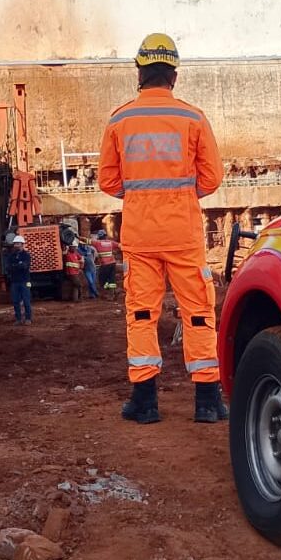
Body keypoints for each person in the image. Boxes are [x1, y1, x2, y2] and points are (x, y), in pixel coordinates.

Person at [99, 33, 227, 424]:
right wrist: (183, 195)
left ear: (139, 73)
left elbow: (108, 181)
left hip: (139, 234)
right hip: (184, 233)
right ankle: (207, 400)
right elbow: (212, 178)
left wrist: (140, 196)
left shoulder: (120, 120)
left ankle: (145, 401)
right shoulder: (192, 118)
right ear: (173, 75)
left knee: (141, 313)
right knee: (199, 312)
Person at [6, 235, 33, 325]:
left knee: (26, 300)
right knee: (15, 301)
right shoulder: (11, 256)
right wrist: (19, 265)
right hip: (15, 282)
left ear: (22, 244)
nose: (16, 245)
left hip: (25, 281)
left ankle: (28, 318)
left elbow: (25, 266)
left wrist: (16, 266)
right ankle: (18, 319)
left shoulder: (26, 255)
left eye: (18, 243)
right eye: (15, 244)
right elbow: (8, 268)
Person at [91, 229, 120, 297]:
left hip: (105, 265)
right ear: (105, 236)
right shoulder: (110, 242)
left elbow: (86, 241)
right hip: (112, 263)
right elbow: (119, 245)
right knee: (111, 278)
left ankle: (110, 293)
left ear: (99, 236)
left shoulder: (97, 243)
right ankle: (113, 293)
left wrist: (77, 237)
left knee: (102, 280)